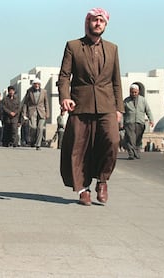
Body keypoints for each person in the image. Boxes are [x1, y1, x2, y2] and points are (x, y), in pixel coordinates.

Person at [57, 8, 124, 206]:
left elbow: (116, 81)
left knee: (112, 141)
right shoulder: (73, 46)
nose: (98, 24)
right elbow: (64, 76)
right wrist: (65, 97)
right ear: (88, 22)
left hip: (107, 105)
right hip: (80, 104)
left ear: (105, 25)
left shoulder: (112, 49)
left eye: (101, 21)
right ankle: (83, 189)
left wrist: (119, 108)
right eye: (94, 20)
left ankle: (102, 180)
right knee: (79, 148)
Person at [123, 83, 154, 160]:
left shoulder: (143, 100)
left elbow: (148, 111)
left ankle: (136, 152)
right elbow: (122, 112)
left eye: (135, 92)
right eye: (132, 92)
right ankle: (131, 154)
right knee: (130, 139)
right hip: (129, 123)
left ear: (138, 92)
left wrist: (151, 120)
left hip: (140, 123)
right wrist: (121, 123)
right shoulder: (126, 101)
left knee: (138, 139)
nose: (133, 94)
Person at [22, 78, 50, 150]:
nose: (37, 85)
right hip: (32, 111)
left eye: (38, 84)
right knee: (33, 127)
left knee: (40, 128)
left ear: (40, 85)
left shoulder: (44, 91)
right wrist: (24, 113)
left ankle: (38, 145)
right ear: (33, 85)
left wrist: (47, 113)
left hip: (41, 111)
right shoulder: (29, 91)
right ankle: (32, 140)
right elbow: (25, 103)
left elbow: (46, 102)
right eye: (35, 84)